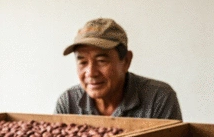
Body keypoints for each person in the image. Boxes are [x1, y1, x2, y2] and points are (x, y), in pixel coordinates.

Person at [55, 18, 183, 120]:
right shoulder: (68, 102)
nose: (91, 73)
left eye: (101, 61)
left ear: (126, 61)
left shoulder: (158, 98)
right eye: (83, 62)